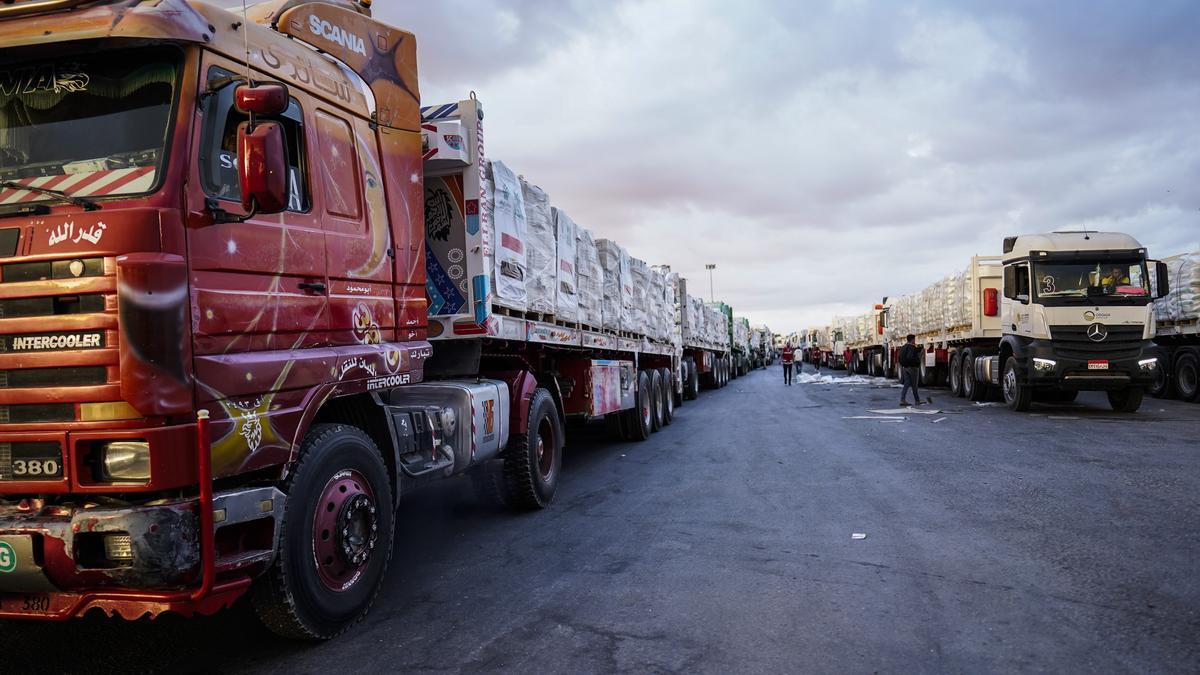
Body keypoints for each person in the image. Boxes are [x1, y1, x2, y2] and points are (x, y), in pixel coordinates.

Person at [899, 334, 923, 407]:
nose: (915, 341)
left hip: (905, 368)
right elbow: (910, 357)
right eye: (914, 339)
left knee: (906, 384)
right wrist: (916, 363)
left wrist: (904, 365)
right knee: (914, 385)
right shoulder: (912, 348)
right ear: (912, 339)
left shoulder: (903, 347)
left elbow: (899, 358)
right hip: (912, 368)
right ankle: (917, 401)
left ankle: (902, 400)